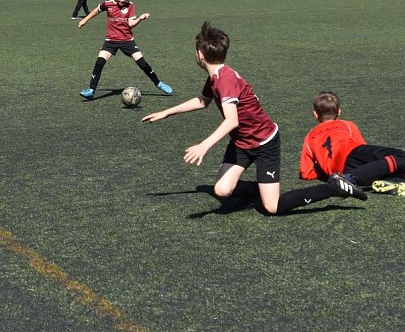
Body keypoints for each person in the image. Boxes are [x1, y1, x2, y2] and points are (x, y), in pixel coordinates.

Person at [141, 22, 367, 215]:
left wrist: (204, 145)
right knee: (221, 190)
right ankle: (261, 187)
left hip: (264, 143)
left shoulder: (224, 79)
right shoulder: (216, 76)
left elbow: (232, 121)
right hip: (241, 143)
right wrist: (166, 112)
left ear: (200, 55)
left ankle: (334, 187)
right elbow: (203, 101)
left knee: (272, 207)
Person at [300, 91, 405, 196]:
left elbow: (306, 173)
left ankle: (390, 182)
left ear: (315, 114)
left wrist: (326, 170)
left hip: (343, 170)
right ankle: (349, 179)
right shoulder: (346, 124)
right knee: (404, 158)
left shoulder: (310, 136)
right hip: (352, 154)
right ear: (339, 111)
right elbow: (361, 147)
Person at [77, 0, 173, 100]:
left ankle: (158, 83)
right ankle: (91, 90)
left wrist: (140, 19)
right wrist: (85, 20)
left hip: (127, 40)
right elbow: (97, 10)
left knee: (142, 64)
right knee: (100, 62)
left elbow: (130, 24)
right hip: (110, 40)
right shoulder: (107, 4)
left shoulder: (130, 5)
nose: (123, 0)